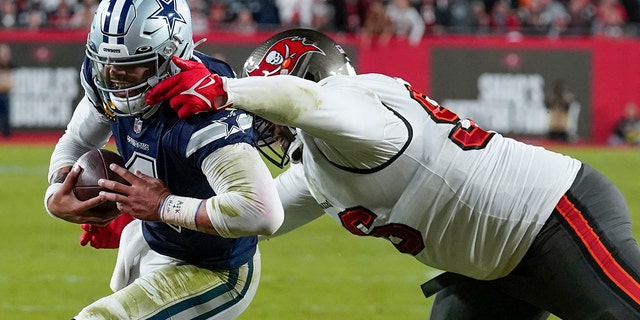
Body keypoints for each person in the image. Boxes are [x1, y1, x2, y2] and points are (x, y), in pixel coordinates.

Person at [145, 28, 640, 319]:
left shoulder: (359, 108)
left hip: (553, 220)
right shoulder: (319, 162)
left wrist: (226, 91)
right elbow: (256, 215)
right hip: (492, 268)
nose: (265, 132)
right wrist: (147, 216)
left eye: (268, 116)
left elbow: (306, 101)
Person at [43, 0, 284, 319]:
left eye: (133, 65)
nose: (116, 77)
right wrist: (56, 193)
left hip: (214, 268)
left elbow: (263, 212)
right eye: (109, 64)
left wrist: (164, 206)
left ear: (172, 57)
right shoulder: (110, 76)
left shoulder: (203, 111)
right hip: (155, 242)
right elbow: (78, 138)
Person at [0, 43, 13, 138]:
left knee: (5, 115)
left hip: (4, 93)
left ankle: (6, 134)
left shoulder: (7, 66)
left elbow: (10, 83)